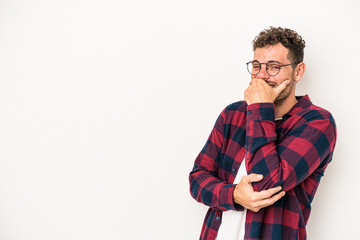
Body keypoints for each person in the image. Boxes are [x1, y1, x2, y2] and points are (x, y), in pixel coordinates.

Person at [189, 27, 337, 240]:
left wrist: (260, 106)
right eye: (257, 66)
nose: (261, 75)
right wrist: (233, 195)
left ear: (298, 71)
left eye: (274, 67)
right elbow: (197, 178)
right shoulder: (233, 114)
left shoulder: (317, 123)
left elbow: (267, 183)